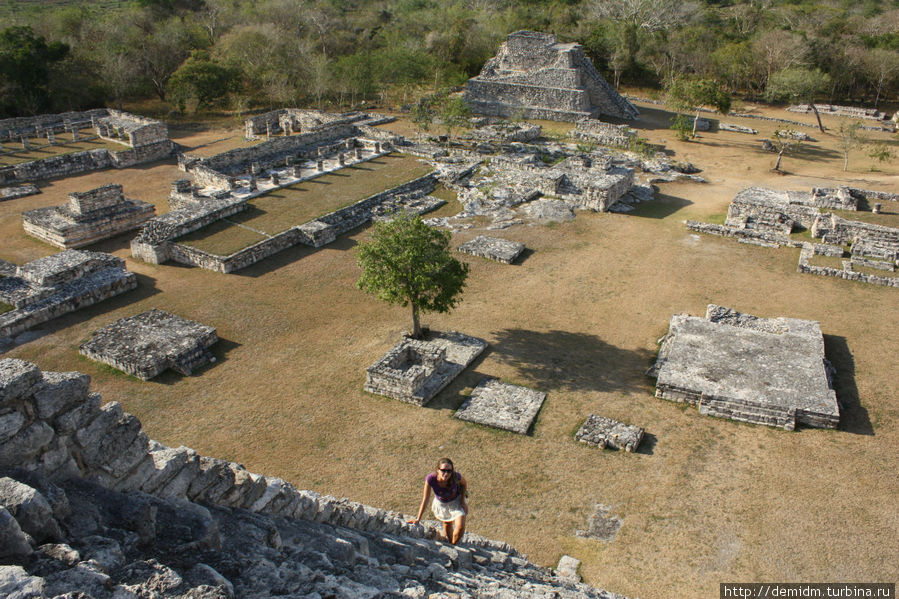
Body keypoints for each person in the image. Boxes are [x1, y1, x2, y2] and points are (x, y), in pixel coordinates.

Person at [407, 458, 468, 544]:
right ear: (437, 470)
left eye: (449, 471)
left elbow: (464, 484)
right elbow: (426, 498)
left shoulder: (456, 476)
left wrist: (463, 502)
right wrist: (418, 519)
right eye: (443, 470)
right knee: (447, 525)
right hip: (442, 503)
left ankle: (454, 544)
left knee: (460, 527)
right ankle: (451, 543)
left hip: (456, 501)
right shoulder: (431, 479)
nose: (446, 473)